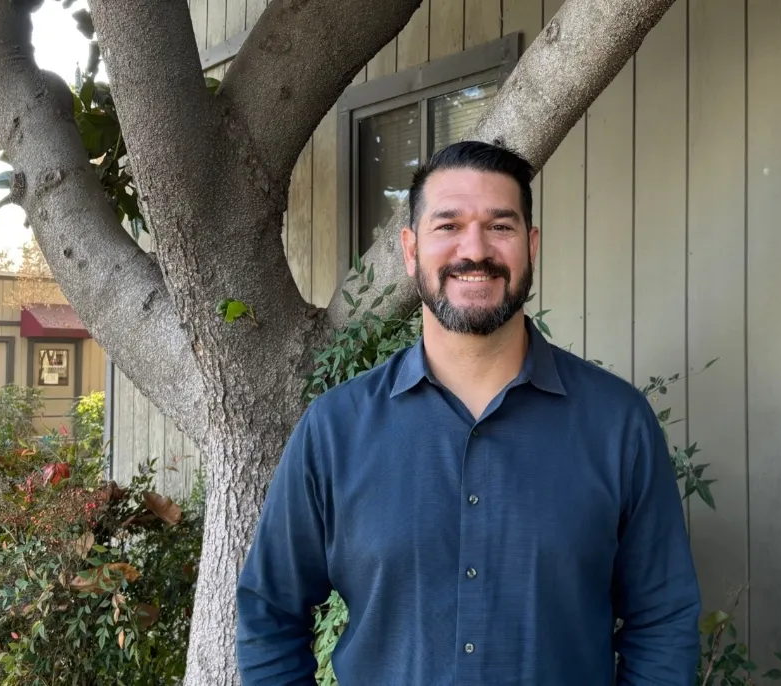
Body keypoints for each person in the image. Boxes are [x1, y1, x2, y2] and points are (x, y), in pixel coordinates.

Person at [235, 140, 702, 685]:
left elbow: (663, 621)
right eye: (448, 226)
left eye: (500, 226)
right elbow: (269, 613)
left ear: (531, 246)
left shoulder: (618, 424)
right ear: (410, 250)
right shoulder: (335, 430)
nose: (474, 250)